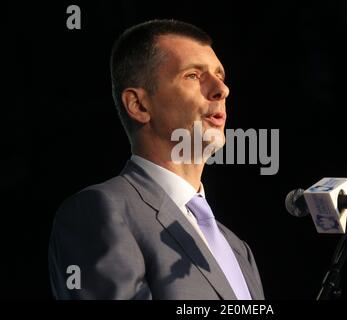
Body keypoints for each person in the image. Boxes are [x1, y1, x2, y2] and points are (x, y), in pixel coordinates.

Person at [48, 19, 265, 300]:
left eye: (220, 75)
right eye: (193, 76)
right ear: (139, 105)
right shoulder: (101, 210)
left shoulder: (237, 248)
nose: (221, 90)